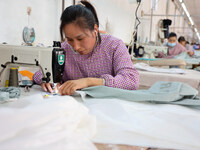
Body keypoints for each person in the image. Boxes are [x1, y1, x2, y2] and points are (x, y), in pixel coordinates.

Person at [33, 1, 139, 95]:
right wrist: (48, 80)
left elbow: (131, 80)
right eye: (69, 39)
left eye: (80, 39)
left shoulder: (114, 46)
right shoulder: (63, 49)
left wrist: (88, 82)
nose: (75, 47)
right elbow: (39, 73)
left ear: (95, 30)